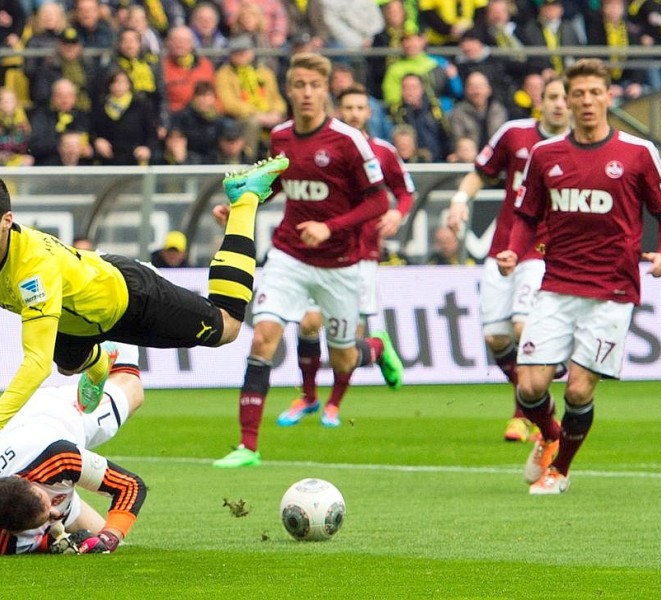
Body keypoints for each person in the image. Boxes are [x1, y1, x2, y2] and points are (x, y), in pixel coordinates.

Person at [0, 158, 287, 456]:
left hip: (129, 298)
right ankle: (99, 363)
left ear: (6, 219)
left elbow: (34, 362)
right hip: (76, 320)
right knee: (68, 364)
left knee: (226, 328)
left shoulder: (33, 265)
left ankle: (244, 199)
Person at [212, 53, 403, 469]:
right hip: (289, 255)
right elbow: (279, 184)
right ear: (289, 89)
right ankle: (248, 446)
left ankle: (374, 346)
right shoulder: (280, 137)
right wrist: (245, 205)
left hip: (340, 264)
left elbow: (378, 201)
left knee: (344, 358)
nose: (306, 93)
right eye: (298, 85)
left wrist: (331, 227)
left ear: (326, 90)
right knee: (263, 335)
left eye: (314, 85)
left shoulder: (349, 141)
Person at [495, 58, 661, 494]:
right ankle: (551, 435)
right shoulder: (545, 154)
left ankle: (561, 470)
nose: (588, 101)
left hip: (612, 292)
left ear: (608, 96)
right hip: (556, 287)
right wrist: (513, 251)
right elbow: (526, 214)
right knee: (530, 383)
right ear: (566, 101)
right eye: (579, 94)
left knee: (577, 389)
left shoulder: (637, 153)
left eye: (596, 92)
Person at [276, 82, 414, 429]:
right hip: (314, 253)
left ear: (369, 113)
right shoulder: (329, 145)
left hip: (361, 253)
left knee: (349, 339)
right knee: (308, 323)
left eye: (360, 108)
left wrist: (397, 213)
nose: (354, 114)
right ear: (339, 111)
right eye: (348, 108)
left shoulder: (383, 152)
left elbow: (403, 191)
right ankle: (308, 396)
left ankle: (335, 403)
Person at [447, 76, 570, 443]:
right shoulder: (514, 134)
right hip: (504, 245)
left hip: (546, 250)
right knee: (496, 337)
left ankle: (522, 413)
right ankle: (536, 402)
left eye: (565, 98)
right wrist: (458, 201)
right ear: (540, 102)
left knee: (522, 326)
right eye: (552, 97)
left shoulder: (577, 147)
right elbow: (481, 173)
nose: (560, 104)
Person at [0, 342, 145, 555]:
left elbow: (131, 486)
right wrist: (55, 543)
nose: (54, 513)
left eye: (47, 504)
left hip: (53, 415)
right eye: (47, 516)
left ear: (28, 482)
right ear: (10, 531)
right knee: (99, 544)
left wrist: (110, 538)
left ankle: (110, 338)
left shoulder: (58, 457)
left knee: (132, 390)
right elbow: (38, 539)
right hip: (3, 444)